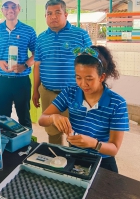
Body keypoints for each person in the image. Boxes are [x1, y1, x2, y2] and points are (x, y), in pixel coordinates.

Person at [38, 45, 129, 173]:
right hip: (74, 156)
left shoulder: (117, 103)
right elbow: (42, 120)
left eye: (89, 79)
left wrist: (94, 144)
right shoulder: (70, 93)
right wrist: (53, 117)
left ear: (101, 77)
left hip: (102, 161)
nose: (83, 84)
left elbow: (114, 148)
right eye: (78, 77)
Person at [32, 0, 92, 144]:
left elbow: (92, 63)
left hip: (74, 94)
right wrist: (35, 91)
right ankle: (56, 162)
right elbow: (37, 65)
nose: (53, 16)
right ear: (45, 16)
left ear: (66, 14)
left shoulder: (81, 35)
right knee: (53, 132)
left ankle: (74, 163)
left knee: (75, 133)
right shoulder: (41, 38)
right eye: (49, 13)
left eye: (57, 12)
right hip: (47, 92)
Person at [0, 0, 37, 128]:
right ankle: (7, 146)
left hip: (21, 81)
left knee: (24, 117)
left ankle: (27, 146)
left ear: (19, 9)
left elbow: (37, 54)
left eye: (13, 7)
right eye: (6, 7)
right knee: (3, 118)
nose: (10, 10)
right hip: (1, 81)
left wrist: (25, 65)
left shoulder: (28, 30)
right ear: (2, 10)